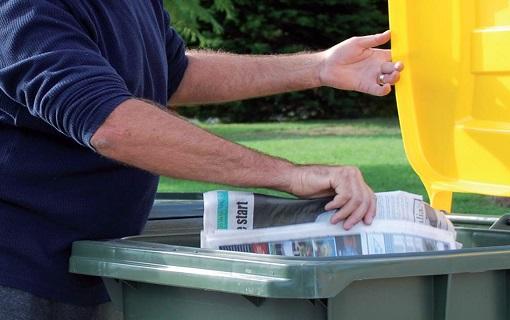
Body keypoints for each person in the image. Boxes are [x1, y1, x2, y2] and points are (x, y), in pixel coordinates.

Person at [0, 0, 403, 318]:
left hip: (96, 260)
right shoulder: (23, 7)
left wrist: (318, 67)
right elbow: (111, 125)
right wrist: (288, 175)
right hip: (19, 267)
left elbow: (175, 73)